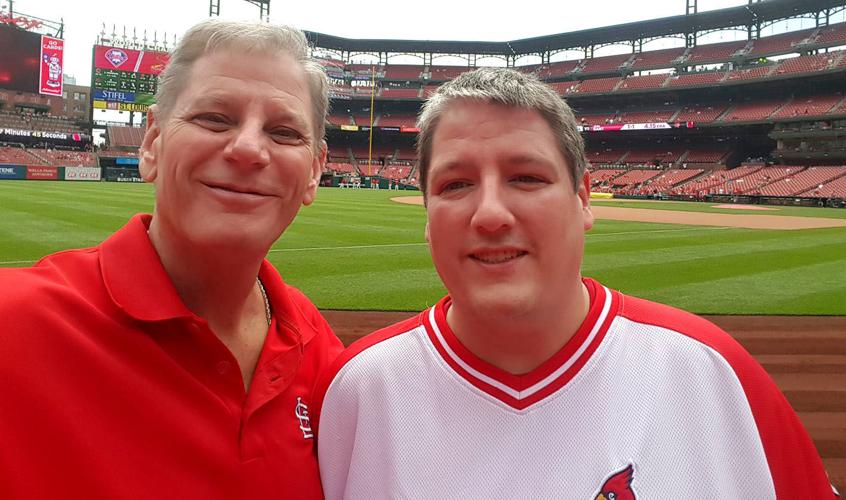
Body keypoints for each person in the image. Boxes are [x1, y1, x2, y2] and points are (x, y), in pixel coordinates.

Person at [313, 68, 838, 499]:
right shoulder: (358, 390)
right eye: (456, 184)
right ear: (427, 214)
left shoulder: (712, 371)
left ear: (583, 198)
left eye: (526, 177)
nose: (490, 213)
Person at [0, 19, 342, 499]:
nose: (247, 148)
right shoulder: (13, 326)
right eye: (214, 119)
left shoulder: (321, 350)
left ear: (314, 172)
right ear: (151, 141)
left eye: (284, 132)